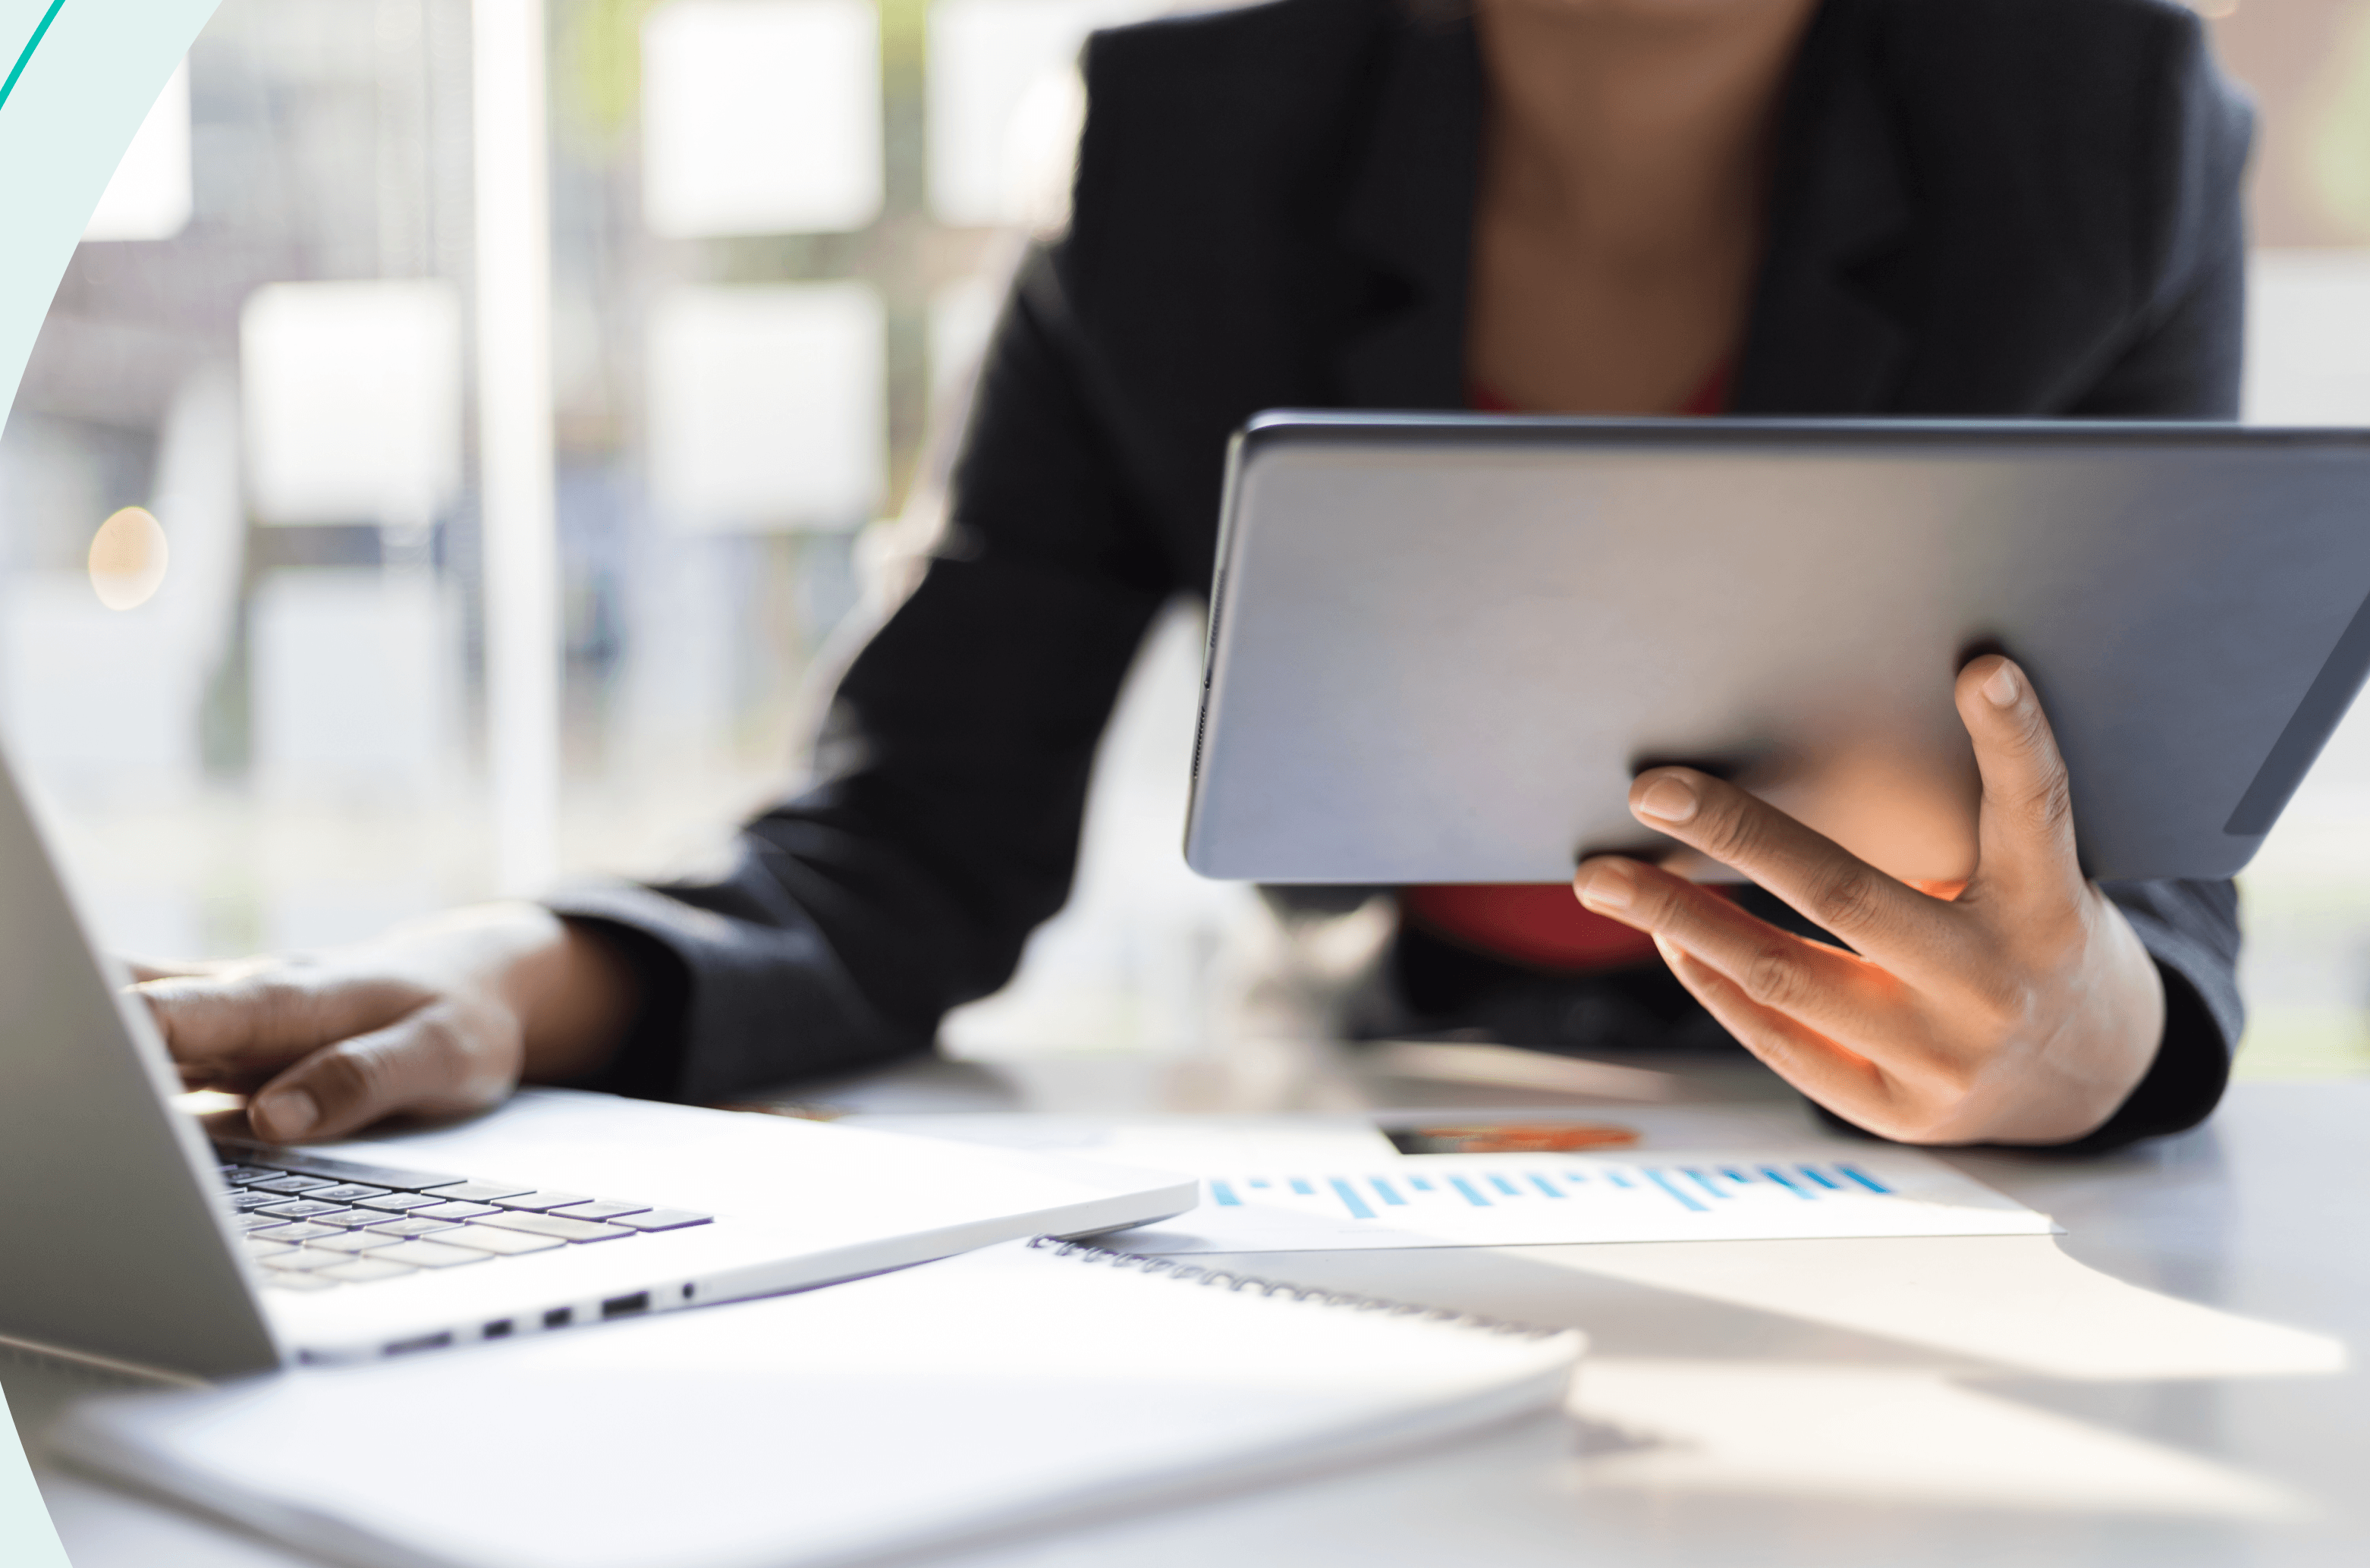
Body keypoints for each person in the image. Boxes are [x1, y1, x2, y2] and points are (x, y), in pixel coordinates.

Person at [138, 0, 2249, 1155]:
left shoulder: (2100, 131)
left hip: (1911, 1180)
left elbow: (2143, 891)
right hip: (1360, 1127)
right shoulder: (1182, 162)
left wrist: (2090, 1046)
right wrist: (515, 975)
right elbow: (907, 841)